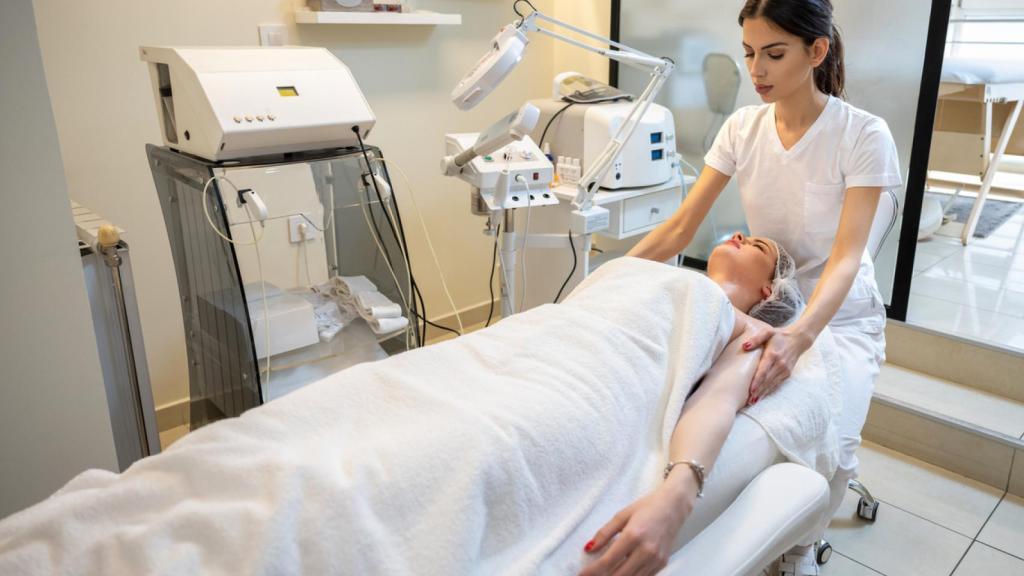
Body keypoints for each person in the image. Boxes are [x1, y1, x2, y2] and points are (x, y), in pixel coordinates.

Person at [617, 0, 902, 574]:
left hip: (838, 317)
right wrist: (609, 282)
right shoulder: (742, 127)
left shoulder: (862, 135)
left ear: (816, 52)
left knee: (834, 446)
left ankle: (799, 548)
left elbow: (847, 259)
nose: (757, 71)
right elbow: (680, 227)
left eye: (774, 54)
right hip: (769, 306)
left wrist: (799, 337)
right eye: (749, 53)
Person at [580, 233, 803, 576]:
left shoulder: (752, 333)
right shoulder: (644, 272)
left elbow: (717, 400)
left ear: (770, 290)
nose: (740, 235)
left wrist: (677, 495)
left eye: (758, 246)